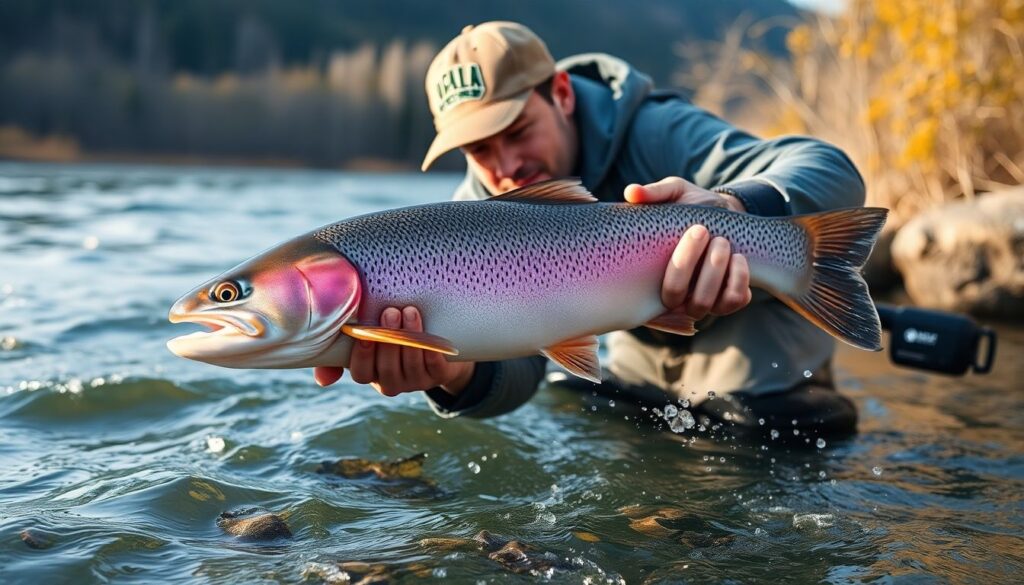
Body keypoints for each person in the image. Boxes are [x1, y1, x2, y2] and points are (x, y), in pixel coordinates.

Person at [314, 21, 864, 439]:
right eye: (479, 149)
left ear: (562, 93)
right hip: (639, 367)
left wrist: (731, 206)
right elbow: (521, 367)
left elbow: (829, 169)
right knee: (575, 402)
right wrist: (450, 372)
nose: (506, 164)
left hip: (756, 359)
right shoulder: (471, 214)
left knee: (757, 431)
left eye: (518, 130)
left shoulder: (653, 130)